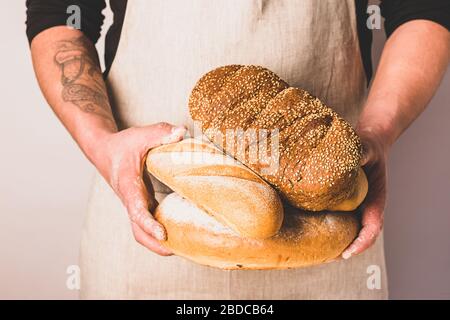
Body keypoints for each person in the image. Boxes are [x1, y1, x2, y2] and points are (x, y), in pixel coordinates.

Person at [26, 0, 449, 299]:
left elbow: (424, 11)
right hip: (145, 218)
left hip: (329, 238)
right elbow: (60, 12)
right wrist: (104, 145)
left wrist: (377, 135)